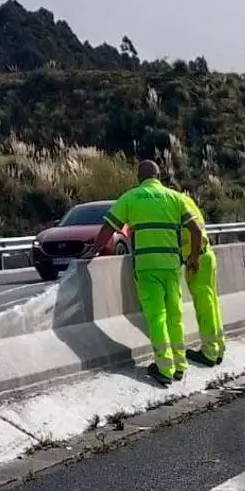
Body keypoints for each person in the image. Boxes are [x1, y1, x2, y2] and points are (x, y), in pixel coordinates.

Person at [81, 160, 194, 386]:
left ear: (138, 177)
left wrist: (93, 251)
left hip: (147, 266)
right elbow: (196, 229)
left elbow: (108, 228)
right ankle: (180, 365)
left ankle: (164, 368)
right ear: (159, 176)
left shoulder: (131, 198)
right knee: (175, 314)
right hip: (172, 265)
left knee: (157, 316)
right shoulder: (174, 198)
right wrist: (194, 257)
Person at [173, 188, 226, 368]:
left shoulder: (176, 204)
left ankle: (209, 352)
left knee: (204, 306)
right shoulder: (187, 201)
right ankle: (218, 347)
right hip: (207, 255)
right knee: (212, 304)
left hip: (197, 259)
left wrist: (192, 258)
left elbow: (193, 231)